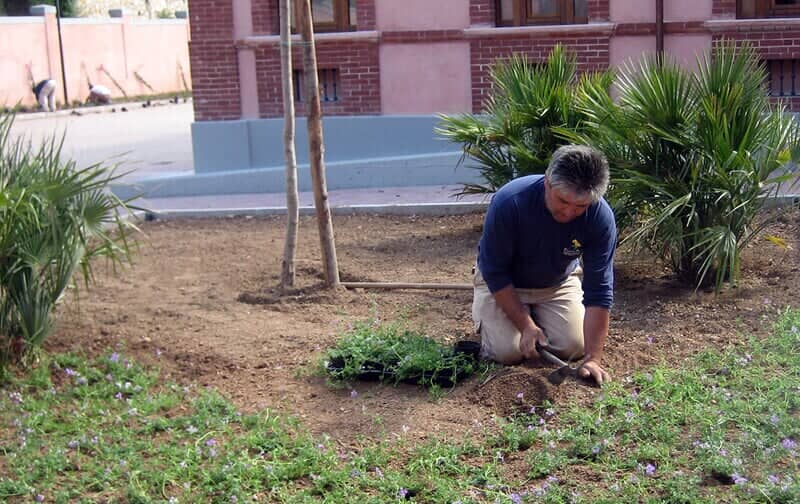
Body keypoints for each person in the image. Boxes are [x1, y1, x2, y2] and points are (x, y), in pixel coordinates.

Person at [472, 144, 616, 385]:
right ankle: (513, 320)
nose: (569, 212)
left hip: (556, 283)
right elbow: (495, 271)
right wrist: (525, 325)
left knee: (574, 346)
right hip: (504, 282)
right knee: (507, 353)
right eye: (563, 201)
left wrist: (593, 358)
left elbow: (599, 289)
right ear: (547, 182)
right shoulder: (510, 202)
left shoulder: (600, 217)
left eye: (580, 207)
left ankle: (536, 319)